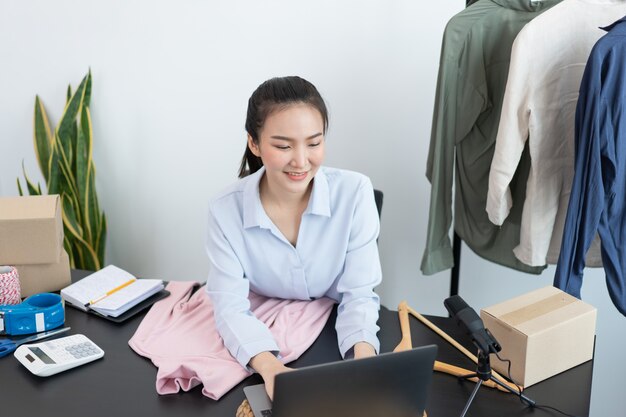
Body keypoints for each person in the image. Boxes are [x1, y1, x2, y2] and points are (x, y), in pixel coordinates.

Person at [205, 76, 382, 399]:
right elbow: (229, 305)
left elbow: (359, 294)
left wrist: (363, 364)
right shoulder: (225, 209)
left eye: (314, 143)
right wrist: (271, 370)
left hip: (332, 332)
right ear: (254, 144)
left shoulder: (355, 193)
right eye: (283, 146)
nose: (301, 161)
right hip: (259, 334)